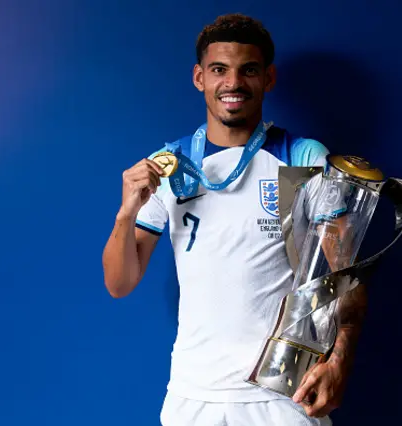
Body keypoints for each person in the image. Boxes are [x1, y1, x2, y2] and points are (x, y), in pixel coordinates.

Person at [102, 13, 367, 426]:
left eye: (249, 71)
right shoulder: (168, 166)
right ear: (199, 77)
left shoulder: (301, 158)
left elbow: (345, 274)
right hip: (194, 393)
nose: (233, 83)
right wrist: (125, 214)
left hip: (284, 392)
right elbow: (120, 284)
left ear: (268, 78)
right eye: (219, 70)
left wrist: (340, 360)